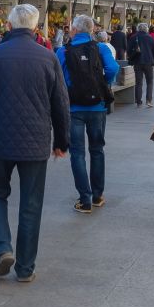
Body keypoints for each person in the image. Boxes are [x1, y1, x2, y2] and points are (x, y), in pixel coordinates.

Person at [0, 4, 71, 282]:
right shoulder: (48, 57)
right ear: (36, 28)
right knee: (31, 203)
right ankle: (25, 268)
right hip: (36, 142)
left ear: (9, 26)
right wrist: (62, 141)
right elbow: (61, 103)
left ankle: (3, 248)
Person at [56, 14, 119, 214]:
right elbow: (113, 68)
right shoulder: (100, 48)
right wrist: (102, 83)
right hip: (97, 107)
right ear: (92, 30)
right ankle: (98, 195)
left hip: (73, 109)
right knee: (97, 150)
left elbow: (57, 78)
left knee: (78, 153)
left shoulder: (63, 51)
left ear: (74, 30)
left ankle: (85, 200)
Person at [128, 23, 154, 108]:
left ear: (138, 29)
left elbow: (129, 50)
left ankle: (138, 101)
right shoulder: (150, 38)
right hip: (148, 62)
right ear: (146, 29)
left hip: (137, 62)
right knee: (149, 82)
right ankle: (149, 100)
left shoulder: (133, 37)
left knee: (139, 82)